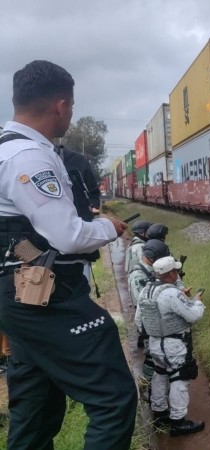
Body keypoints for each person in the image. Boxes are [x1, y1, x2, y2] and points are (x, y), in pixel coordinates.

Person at [0, 60, 137, 449]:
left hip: (23, 296)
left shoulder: (7, 150)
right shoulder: (29, 157)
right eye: (72, 107)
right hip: (46, 299)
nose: (71, 115)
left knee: (36, 412)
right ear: (60, 105)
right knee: (113, 398)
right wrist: (108, 228)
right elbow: (69, 237)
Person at [137, 255, 205, 436]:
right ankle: (178, 421)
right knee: (179, 377)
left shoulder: (146, 290)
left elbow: (139, 320)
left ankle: (159, 413)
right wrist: (197, 301)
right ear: (171, 273)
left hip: (154, 343)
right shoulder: (171, 293)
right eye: (175, 271)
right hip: (174, 344)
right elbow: (194, 316)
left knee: (160, 374)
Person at [55, 144, 102, 284]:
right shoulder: (24, 159)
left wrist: (91, 207)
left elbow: (94, 193)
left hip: (78, 252)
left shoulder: (78, 161)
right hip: (37, 259)